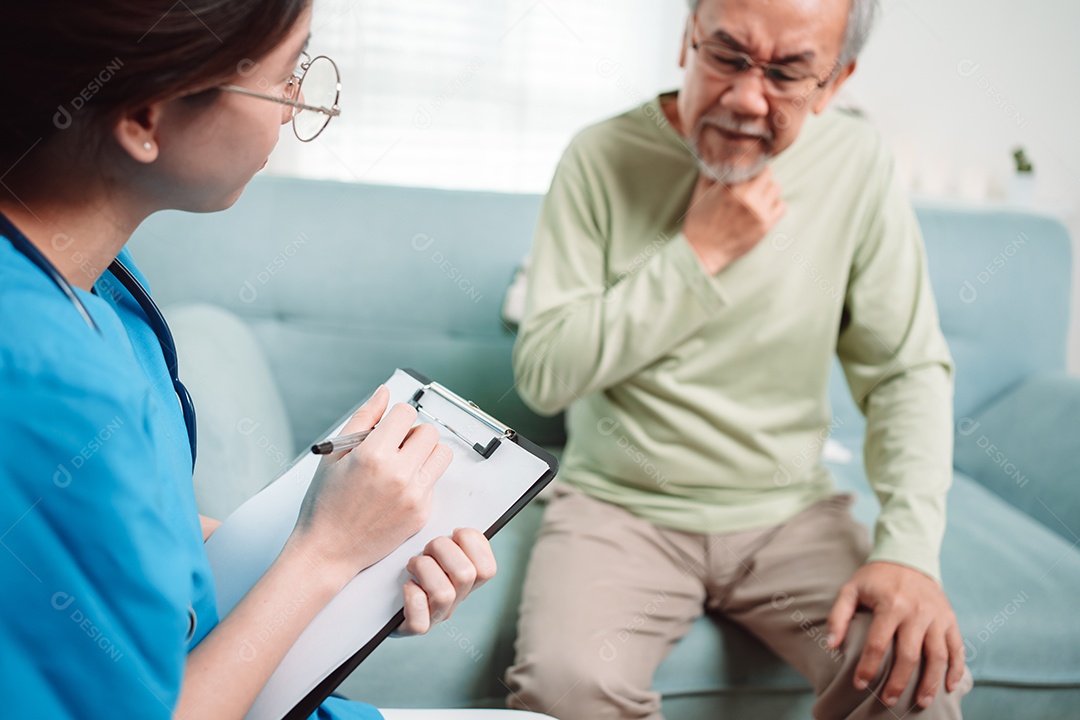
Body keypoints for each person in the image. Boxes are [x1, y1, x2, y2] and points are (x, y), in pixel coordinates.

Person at [0, 2, 516, 718]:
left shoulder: (99, 286)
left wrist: (360, 546)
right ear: (145, 118)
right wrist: (324, 555)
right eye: (285, 76)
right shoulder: (41, 379)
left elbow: (136, 544)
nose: (299, 104)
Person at [505, 0, 974, 718]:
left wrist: (909, 549)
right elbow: (543, 374)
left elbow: (905, 371)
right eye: (726, 56)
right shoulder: (598, 156)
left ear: (836, 82)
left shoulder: (857, 163)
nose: (746, 98)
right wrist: (700, 253)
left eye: (788, 73)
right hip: (619, 508)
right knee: (566, 690)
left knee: (914, 685)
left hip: (790, 512)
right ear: (684, 41)